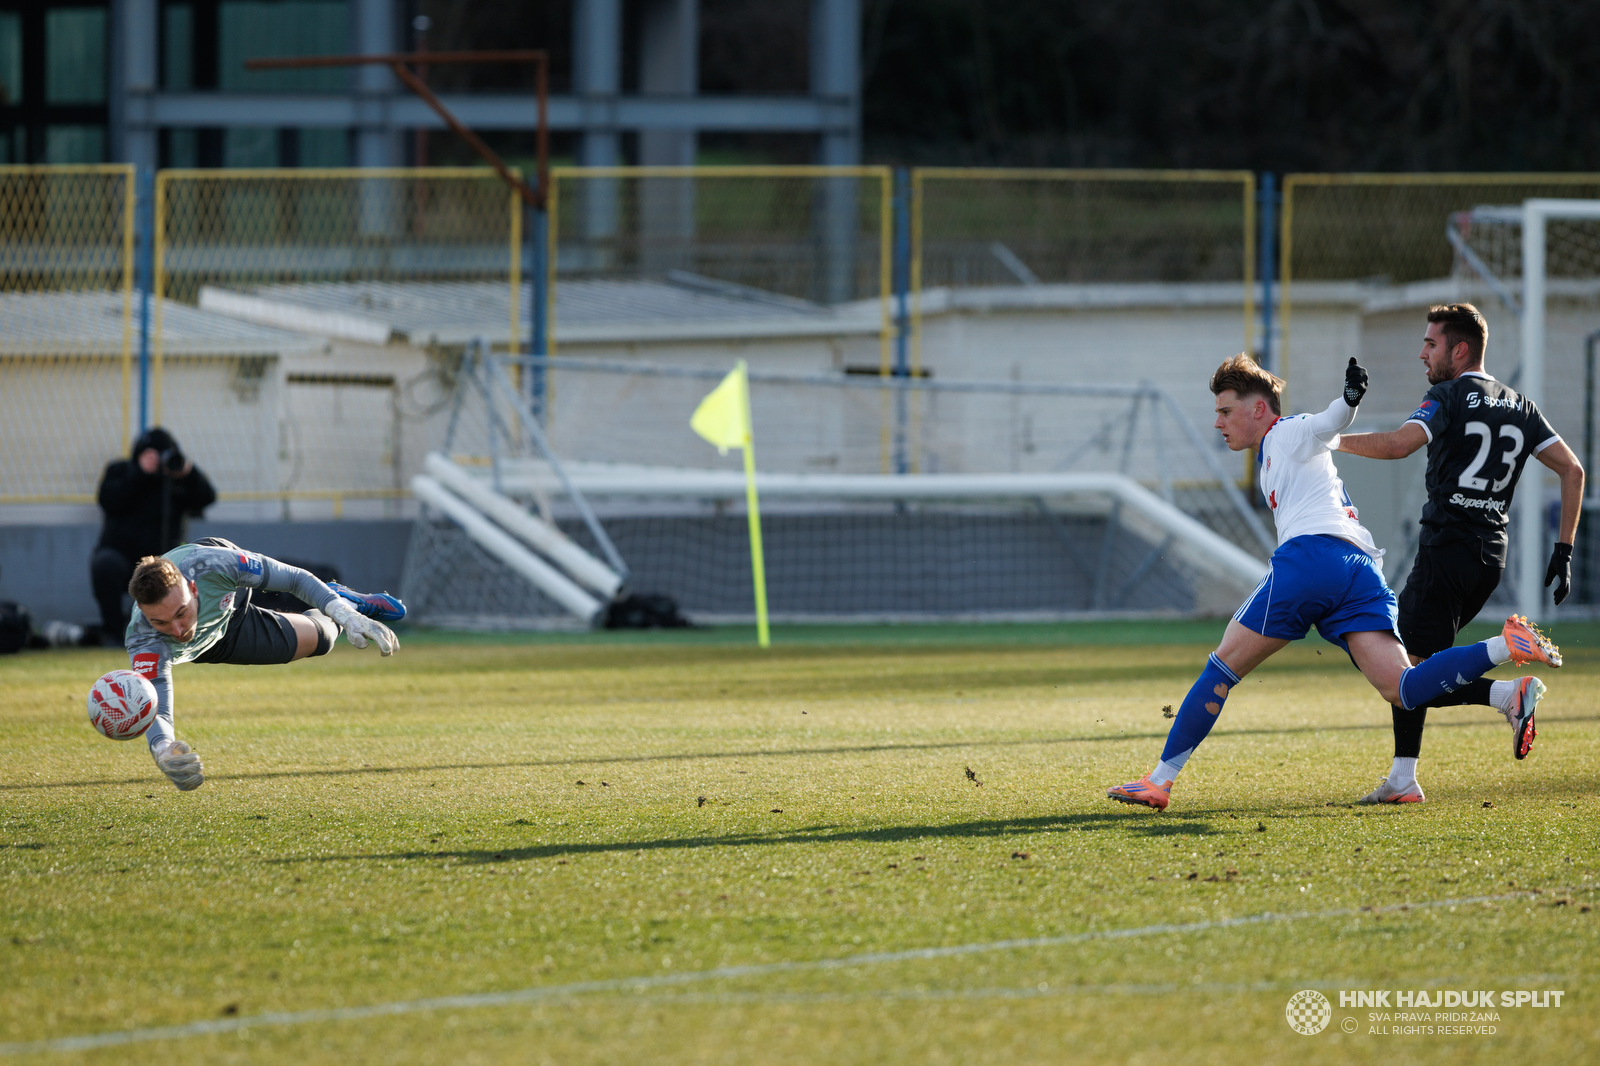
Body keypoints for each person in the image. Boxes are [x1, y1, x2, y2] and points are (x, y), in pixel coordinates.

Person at [1106, 354, 1561, 811]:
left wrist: (1349, 400)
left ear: (1259, 409)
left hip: (1312, 561)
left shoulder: (1286, 431)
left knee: (1221, 668)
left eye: (1226, 411)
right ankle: (1505, 646)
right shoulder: (1278, 452)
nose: (1218, 423)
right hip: (1359, 570)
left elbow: (1327, 422)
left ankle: (1160, 781)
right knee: (1403, 688)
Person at [1335, 303, 1584, 803]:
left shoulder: (1447, 395)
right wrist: (1565, 549)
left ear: (1460, 349)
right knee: (1417, 665)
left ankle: (1505, 682)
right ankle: (1404, 777)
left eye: (1431, 344)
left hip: (1446, 552)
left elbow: (1400, 445)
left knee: (1398, 670)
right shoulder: (1521, 405)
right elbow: (1573, 470)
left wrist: (1327, 439)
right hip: (1490, 560)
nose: (1422, 353)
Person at [124, 538, 406, 792]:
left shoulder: (215, 564)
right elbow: (153, 701)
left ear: (193, 588)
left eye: (180, 613)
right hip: (208, 645)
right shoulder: (143, 638)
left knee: (314, 626)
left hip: (230, 606)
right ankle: (341, 600)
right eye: (160, 622)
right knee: (321, 640)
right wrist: (163, 749)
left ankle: (341, 601)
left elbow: (296, 579)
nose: (176, 630)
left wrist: (342, 615)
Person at [91, 427, 217, 645]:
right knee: (105, 564)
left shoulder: (175, 478)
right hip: (122, 555)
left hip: (165, 560)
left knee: (193, 567)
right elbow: (107, 500)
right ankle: (113, 634)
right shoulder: (121, 470)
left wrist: (188, 472)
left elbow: (207, 497)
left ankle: (186, 633)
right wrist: (139, 472)